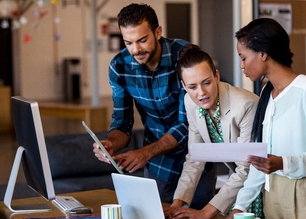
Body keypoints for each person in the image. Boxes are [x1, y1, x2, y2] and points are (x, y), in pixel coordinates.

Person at [92, 3, 215, 207]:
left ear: (158, 32)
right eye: (128, 43)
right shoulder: (119, 67)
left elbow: (189, 122)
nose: (136, 50)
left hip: (197, 159)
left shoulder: (185, 56)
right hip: (159, 166)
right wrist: (111, 144)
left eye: (142, 40)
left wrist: (145, 152)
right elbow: (122, 121)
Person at [227, 18, 306, 219]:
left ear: (262, 53)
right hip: (273, 195)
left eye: (243, 57)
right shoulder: (266, 94)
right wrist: (239, 206)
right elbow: (261, 161)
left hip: (304, 195)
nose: (241, 65)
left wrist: (284, 163)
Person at [165, 44, 259, 219]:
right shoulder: (190, 102)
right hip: (237, 184)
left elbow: (247, 167)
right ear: (184, 86)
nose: (201, 93)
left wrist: (206, 212)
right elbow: (195, 158)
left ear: (216, 76)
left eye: (206, 83)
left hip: (260, 183)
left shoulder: (245, 105)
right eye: (192, 87)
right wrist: (176, 205)